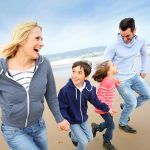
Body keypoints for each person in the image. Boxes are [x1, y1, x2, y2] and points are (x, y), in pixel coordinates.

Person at [0, 21, 70, 150]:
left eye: (42, 39)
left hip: (39, 126)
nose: (42, 43)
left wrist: (59, 119)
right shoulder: (1, 68)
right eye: (37, 38)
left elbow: (51, 96)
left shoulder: (44, 63)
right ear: (21, 40)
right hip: (14, 131)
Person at [104, 18, 150, 133]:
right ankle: (123, 123)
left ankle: (125, 106)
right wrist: (113, 77)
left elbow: (144, 54)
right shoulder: (114, 44)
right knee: (132, 102)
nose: (124, 39)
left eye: (127, 36)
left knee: (147, 95)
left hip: (133, 75)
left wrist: (143, 70)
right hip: (120, 80)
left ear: (134, 31)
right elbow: (106, 60)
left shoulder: (141, 41)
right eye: (122, 35)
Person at [58, 61, 114, 150]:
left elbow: (96, 102)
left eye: (79, 73)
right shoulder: (65, 91)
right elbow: (62, 108)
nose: (75, 75)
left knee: (90, 138)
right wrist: (65, 120)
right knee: (83, 142)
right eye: (73, 71)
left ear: (86, 77)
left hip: (83, 118)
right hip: (71, 120)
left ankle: (73, 135)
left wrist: (107, 108)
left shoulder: (88, 88)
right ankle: (74, 135)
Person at [91, 60, 118, 150]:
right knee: (111, 126)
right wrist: (107, 109)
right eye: (113, 65)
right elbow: (99, 97)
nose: (115, 65)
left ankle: (97, 127)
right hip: (102, 108)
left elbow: (111, 81)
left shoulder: (110, 79)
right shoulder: (106, 82)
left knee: (109, 123)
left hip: (107, 107)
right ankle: (106, 141)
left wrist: (115, 81)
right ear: (108, 71)